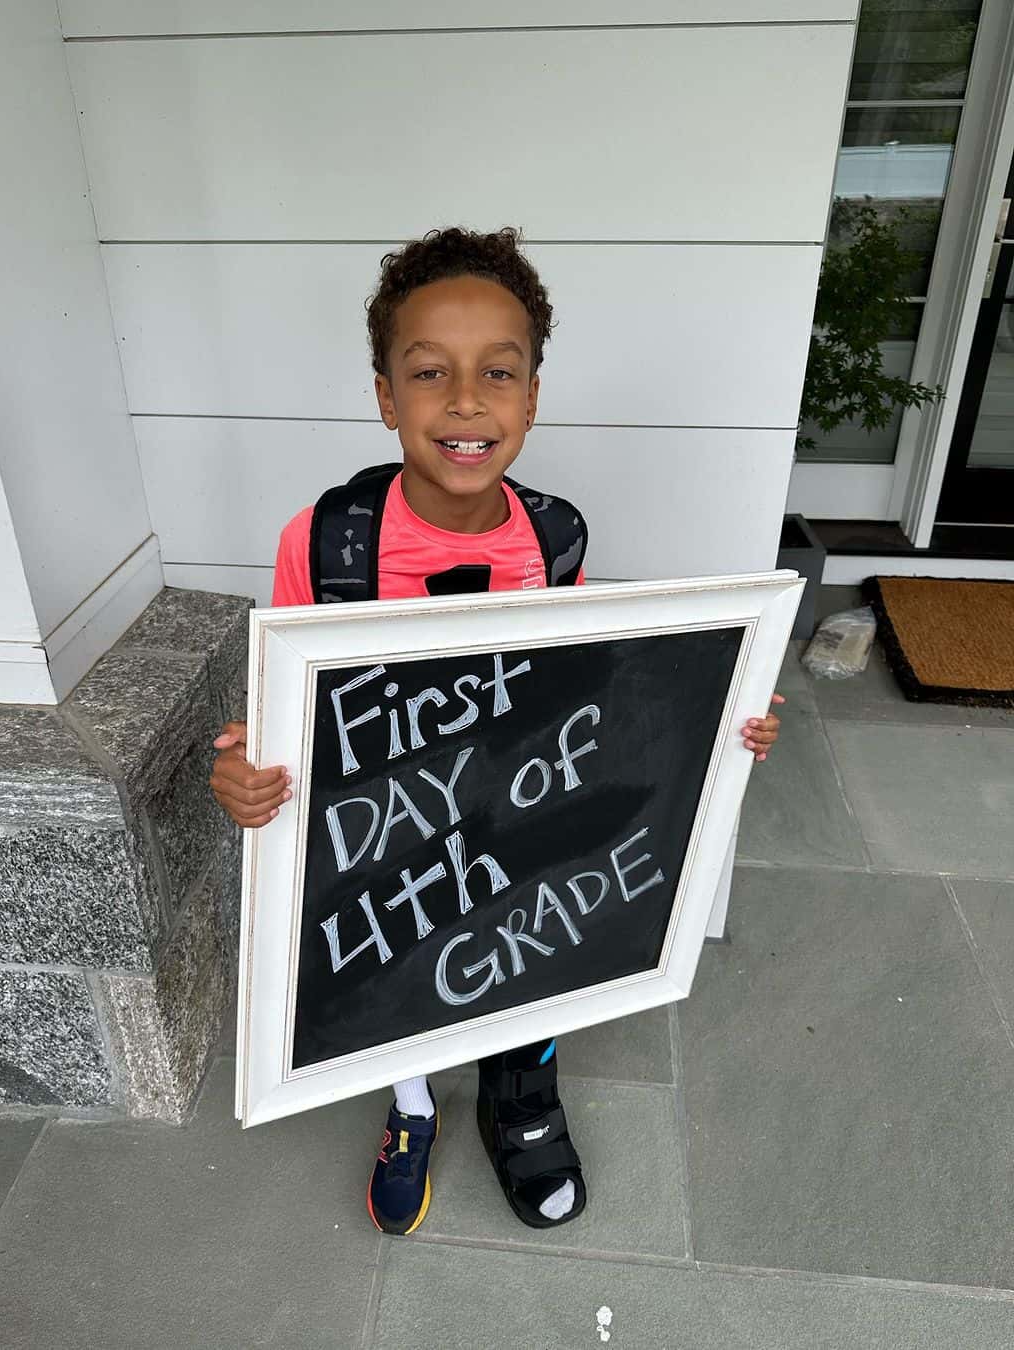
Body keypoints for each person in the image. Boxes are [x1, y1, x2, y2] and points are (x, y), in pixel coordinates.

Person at [209, 226, 783, 1237]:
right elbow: (285, 715)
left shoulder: (553, 536)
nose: (465, 401)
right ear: (387, 396)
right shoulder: (328, 543)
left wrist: (716, 724)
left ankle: (523, 1102)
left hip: (518, 813)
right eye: (430, 373)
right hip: (392, 834)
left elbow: (584, 687)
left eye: (498, 373)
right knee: (399, 963)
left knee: (531, 935)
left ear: (531, 396)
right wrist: (248, 777)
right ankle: (413, 1104)